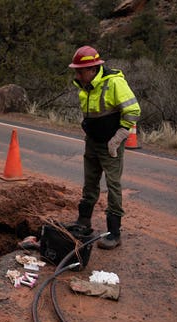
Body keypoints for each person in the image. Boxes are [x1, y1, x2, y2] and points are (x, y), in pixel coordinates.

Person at [69, 45, 141, 249]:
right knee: (90, 183)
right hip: (93, 141)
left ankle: (113, 233)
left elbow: (133, 109)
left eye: (80, 71)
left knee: (113, 185)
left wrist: (119, 136)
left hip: (111, 142)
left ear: (92, 69)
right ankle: (84, 221)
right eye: (76, 71)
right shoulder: (85, 86)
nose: (77, 74)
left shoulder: (114, 83)